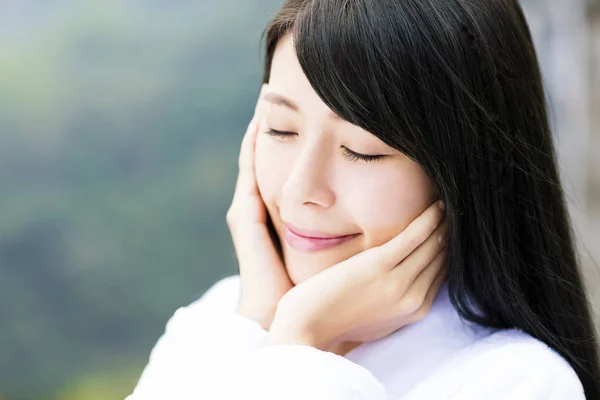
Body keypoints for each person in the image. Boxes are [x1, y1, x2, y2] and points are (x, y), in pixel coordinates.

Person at [127, 0, 600, 398]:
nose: (299, 190)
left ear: (467, 169)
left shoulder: (519, 382)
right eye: (280, 128)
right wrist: (259, 324)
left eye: (362, 151)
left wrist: (299, 343)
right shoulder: (224, 315)